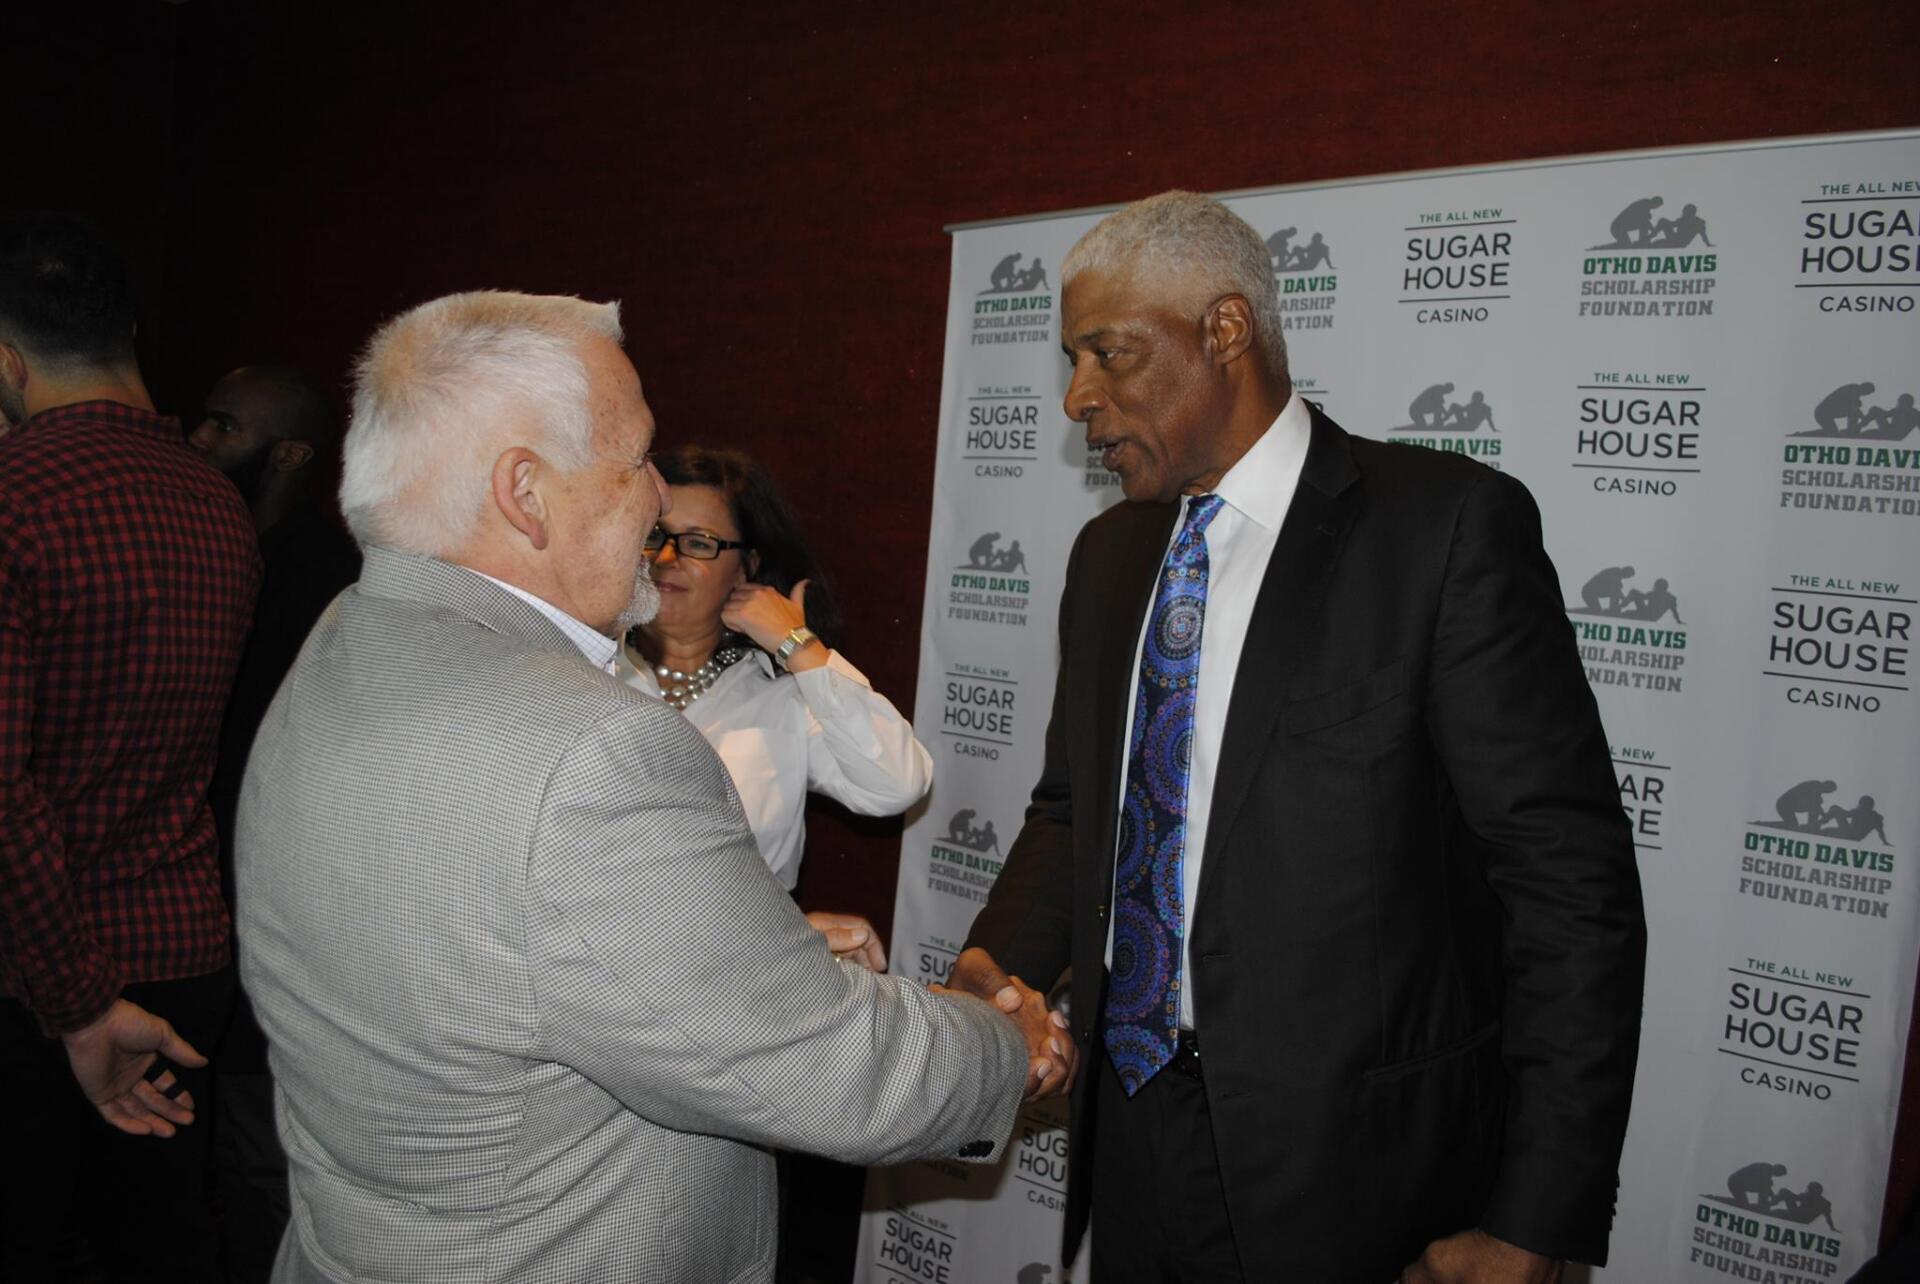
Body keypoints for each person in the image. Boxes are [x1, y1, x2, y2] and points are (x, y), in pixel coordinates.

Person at [236, 290, 1047, 1283]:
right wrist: (1006, 1047)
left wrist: (754, 939)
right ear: (525, 493)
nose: (661, 498)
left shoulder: (340, 644)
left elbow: (480, 949)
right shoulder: (594, 749)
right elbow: (824, 1071)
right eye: (636, 460)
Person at [951, 191, 1645, 1283]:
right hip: (1132, 1132)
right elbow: (1079, 808)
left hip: (1364, 1176)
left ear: (1224, 330)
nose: (1078, 396)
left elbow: (1569, 888)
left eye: (1108, 354)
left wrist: (1537, 1218)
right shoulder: (1108, 561)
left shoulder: (1444, 530)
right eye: (1071, 359)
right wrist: (995, 969)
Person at [0, 212, 260, 1280]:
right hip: (185, 953)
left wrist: (76, 1001)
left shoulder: (15, 500)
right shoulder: (220, 503)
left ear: (6, 362)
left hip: (43, 985)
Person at [189, 364, 362, 1282]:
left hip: (279, 890)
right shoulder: (199, 548)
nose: (199, 442)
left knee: (261, 1138)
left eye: (223, 428)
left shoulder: (329, 575)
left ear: (289, 454)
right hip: (194, 876)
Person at [620, 445, 934, 892]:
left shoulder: (786, 697)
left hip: (743, 956)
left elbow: (897, 784)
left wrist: (798, 646)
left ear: (747, 568)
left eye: (698, 543)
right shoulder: (586, 668)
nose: (666, 559)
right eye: (654, 535)